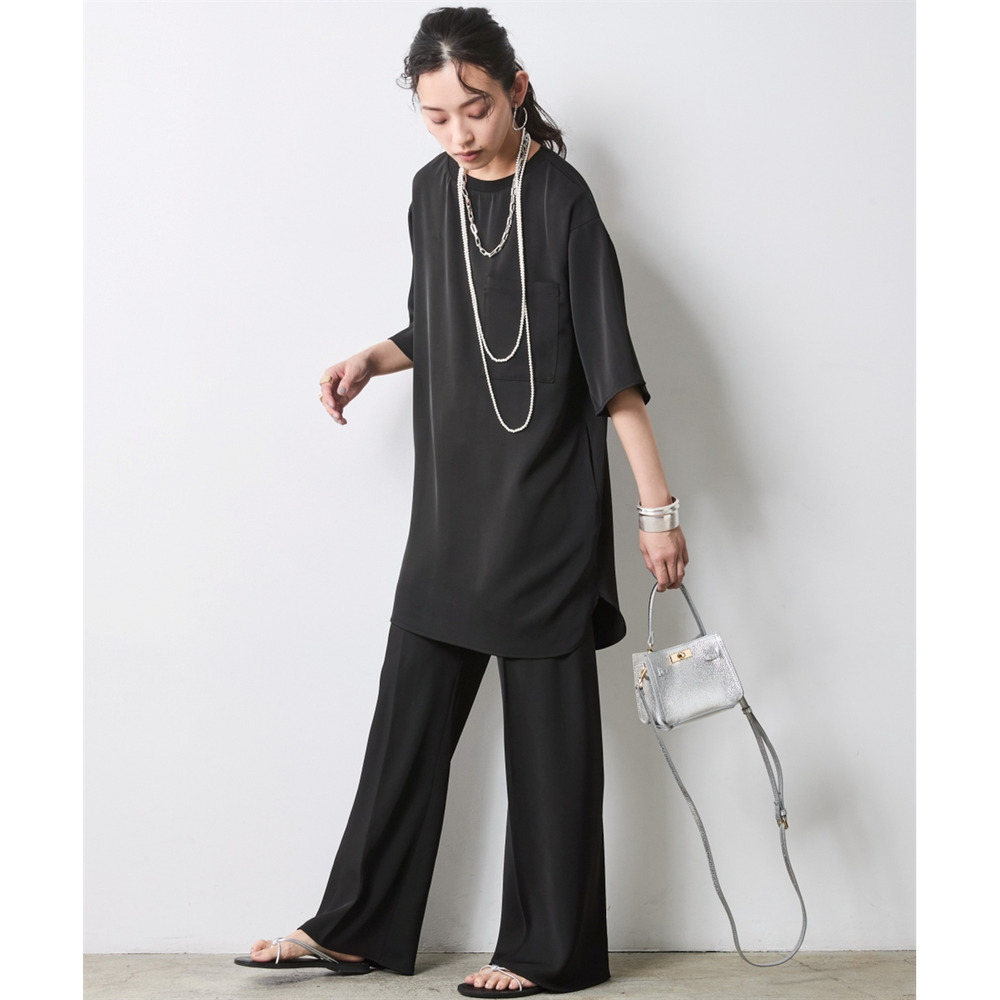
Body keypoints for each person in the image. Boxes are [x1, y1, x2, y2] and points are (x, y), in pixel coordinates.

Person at [235, 7, 688, 997]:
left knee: (549, 748)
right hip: (452, 513)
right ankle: (354, 927)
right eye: (437, 116)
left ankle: (548, 950)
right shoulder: (428, 194)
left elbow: (613, 369)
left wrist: (656, 511)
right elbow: (441, 320)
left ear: (515, 88)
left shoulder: (563, 201)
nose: (459, 134)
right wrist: (373, 357)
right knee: (406, 726)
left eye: (474, 109)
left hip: (547, 514)